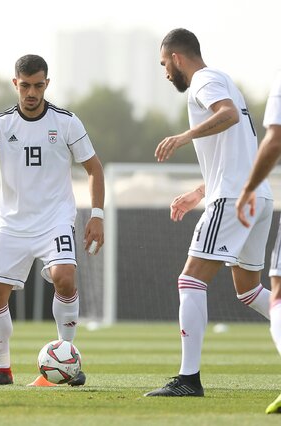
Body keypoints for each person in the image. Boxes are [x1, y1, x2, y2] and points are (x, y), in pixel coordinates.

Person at [0, 54, 105, 386]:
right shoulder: (0, 123)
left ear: (47, 84)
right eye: (25, 86)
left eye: (38, 85)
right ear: (15, 84)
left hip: (55, 219)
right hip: (13, 224)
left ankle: (69, 362)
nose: (31, 93)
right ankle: (2, 369)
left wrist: (97, 215)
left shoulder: (67, 122)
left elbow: (94, 168)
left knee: (65, 277)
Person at [145, 28, 273, 397]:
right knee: (249, 292)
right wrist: (200, 191)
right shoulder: (225, 81)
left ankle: (188, 379)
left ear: (177, 58)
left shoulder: (204, 79)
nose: (166, 73)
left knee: (190, 280)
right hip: (255, 196)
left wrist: (184, 137)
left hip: (234, 198)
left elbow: (228, 115)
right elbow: (237, 150)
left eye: (164, 64)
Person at [236, 70, 281, 414]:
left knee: (276, 287)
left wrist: (248, 188)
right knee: (249, 289)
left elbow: (274, 139)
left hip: (252, 197)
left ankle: (187, 376)